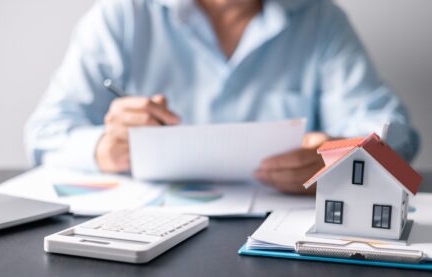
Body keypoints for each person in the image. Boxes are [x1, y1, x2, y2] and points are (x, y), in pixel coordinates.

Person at [25, 0, 419, 194]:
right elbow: (45, 132)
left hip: (280, 245)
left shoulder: (321, 21)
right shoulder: (123, 15)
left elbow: (395, 133)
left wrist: (337, 159)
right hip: (141, 235)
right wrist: (103, 149)